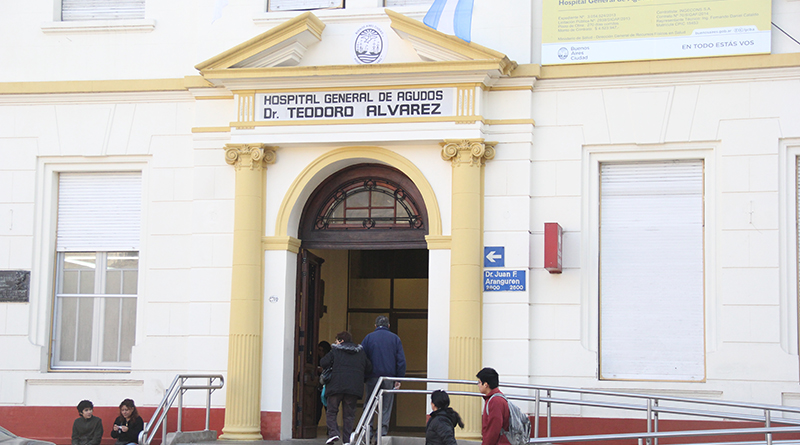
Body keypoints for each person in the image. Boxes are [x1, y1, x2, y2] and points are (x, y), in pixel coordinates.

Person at [320, 331, 372, 445]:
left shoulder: (335, 351)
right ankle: (347, 440)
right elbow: (369, 367)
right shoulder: (360, 352)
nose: (335, 342)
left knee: (332, 411)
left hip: (335, 386)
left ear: (341, 341)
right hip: (353, 388)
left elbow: (323, 362)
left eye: (337, 340)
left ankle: (333, 433)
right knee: (349, 415)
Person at [361, 315, 406, 437]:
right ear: (389, 326)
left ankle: (367, 431)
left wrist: (364, 376)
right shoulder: (395, 339)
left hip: (372, 377)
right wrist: (398, 379)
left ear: (375, 326)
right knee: (386, 406)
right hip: (389, 378)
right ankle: (382, 433)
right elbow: (401, 361)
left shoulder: (368, 338)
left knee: (370, 404)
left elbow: (362, 358)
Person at [477, 367, 510, 445]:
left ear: (485, 384)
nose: (478, 385)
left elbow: (494, 429)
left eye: (479, 382)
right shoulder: (496, 398)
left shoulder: (495, 401)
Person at [316, 341, 333, 425]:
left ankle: (330, 428)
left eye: (322, 350)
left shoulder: (329, 358)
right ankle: (315, 425)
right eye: (319, 350)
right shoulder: (315, 359)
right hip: (317, 386)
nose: (320, 352)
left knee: (328, 408)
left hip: (327, 386)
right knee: (316, 408)